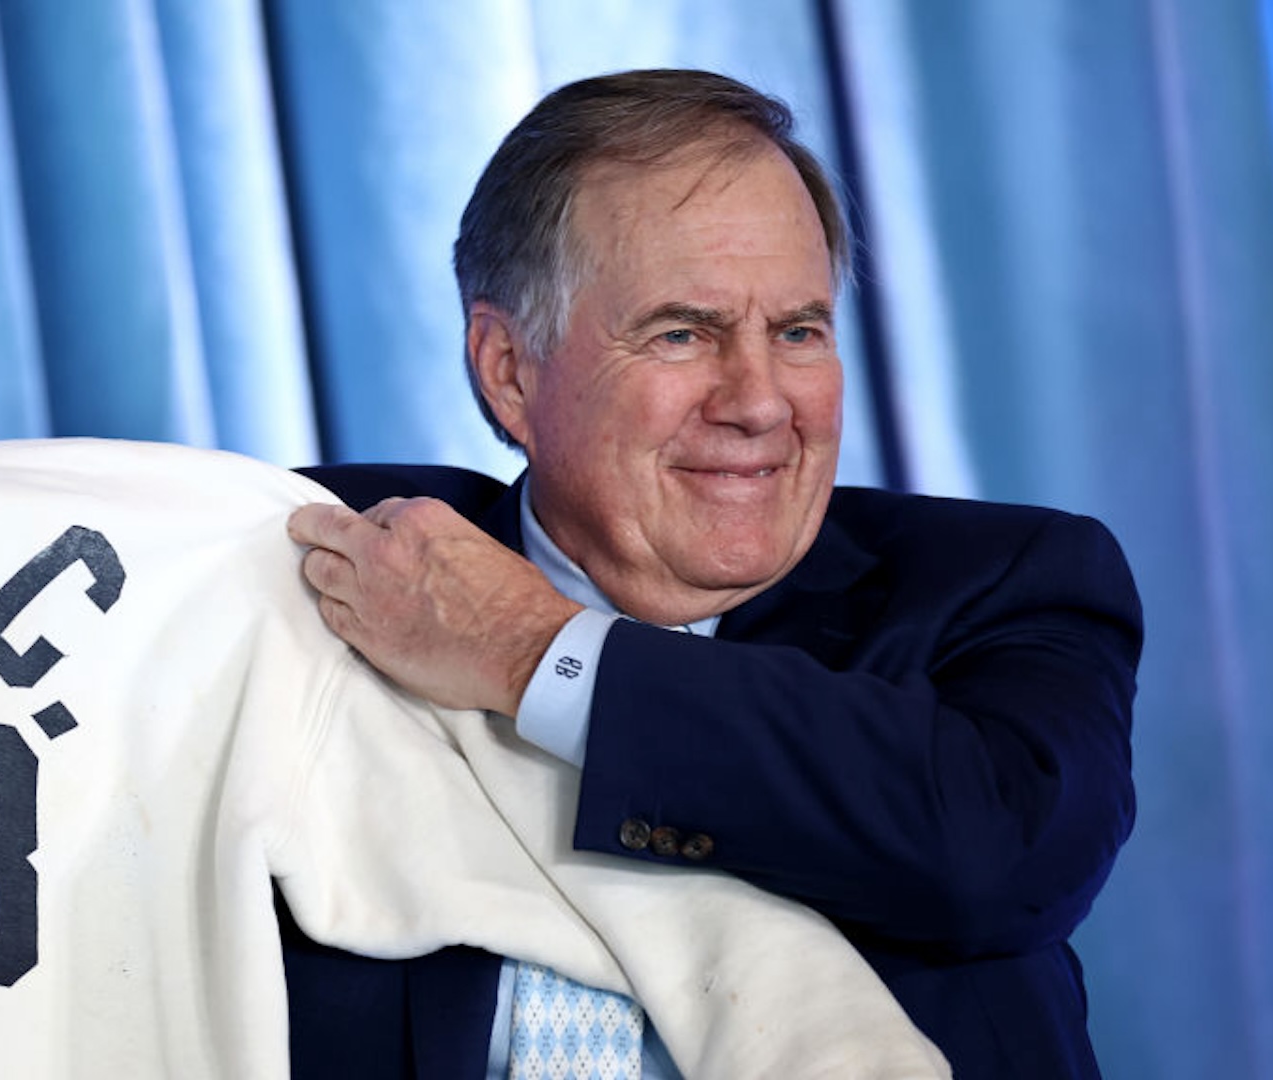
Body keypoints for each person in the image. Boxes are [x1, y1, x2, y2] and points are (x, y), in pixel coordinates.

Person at [280, 69, 1142, 1079]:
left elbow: (998, 855)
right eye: (683, 333)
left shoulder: (1002, 583)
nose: (759, 400)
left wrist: (535, 653)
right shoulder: (334, 557)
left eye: (797, 333)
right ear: (510, 370)